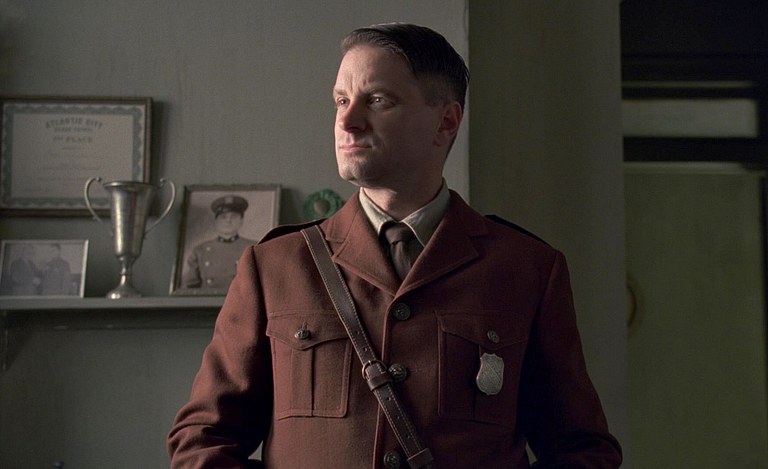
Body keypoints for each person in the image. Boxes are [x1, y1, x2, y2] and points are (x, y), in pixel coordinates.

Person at [168, 23, 622, 468]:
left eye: (377, 100)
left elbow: (583, 450)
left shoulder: (525, 269)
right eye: (341, 100)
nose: (347, 122)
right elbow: (201, 440)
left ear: (445, 122)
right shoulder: (275, 266)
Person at [182, 195, 257, 291]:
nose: (228, 221)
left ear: (241, 221)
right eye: (223, 217)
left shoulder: (255, 248)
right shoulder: (200, 250)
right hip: (207, 299)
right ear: (216, 221)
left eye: (233, 216)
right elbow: (189, 288)